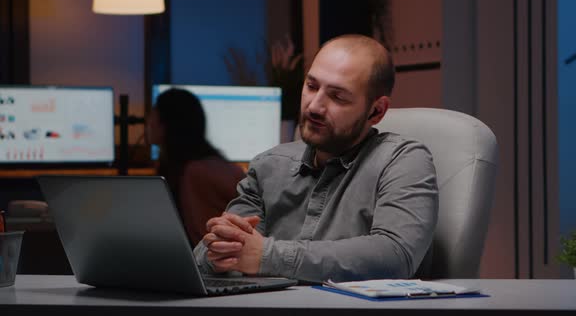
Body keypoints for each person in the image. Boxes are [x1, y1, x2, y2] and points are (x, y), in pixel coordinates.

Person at [194, 34, 438, 283]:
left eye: (338, 97)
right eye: (311, 86)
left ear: (376, 111)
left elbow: (395, 257)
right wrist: (218, 251)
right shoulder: (268, 165)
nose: (314, 106)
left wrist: (266, 256)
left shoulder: (403, 161)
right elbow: (218, 252)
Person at [146, 88, 245, 247]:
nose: (149, 122)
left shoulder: (196, 172)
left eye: (153, 115)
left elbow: (204, 242)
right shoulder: (206, 165)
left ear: (167, 124)